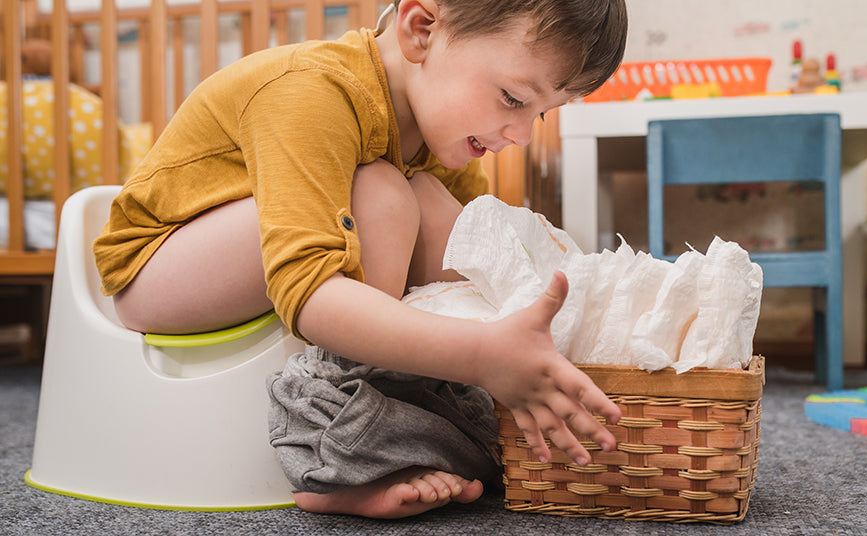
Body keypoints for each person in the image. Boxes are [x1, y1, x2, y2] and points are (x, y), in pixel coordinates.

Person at [93, 0, 628, 519]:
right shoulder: (308, 90)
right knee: (383, 194)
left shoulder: (441, 136)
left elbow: (468, 270)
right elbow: (310, 292)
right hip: (156, 269)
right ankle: (333, 453)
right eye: (513, 98)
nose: (521, 135)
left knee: (463, 230)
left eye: (543, 113)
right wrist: (479, 357)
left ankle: (404, 426)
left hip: (257, 254)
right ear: (420, 29)